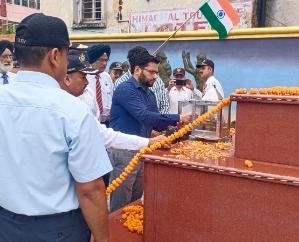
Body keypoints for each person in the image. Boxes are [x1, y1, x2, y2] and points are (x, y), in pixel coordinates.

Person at [0, 13, 111, 242]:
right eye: (67, 54)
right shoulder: (72, 112)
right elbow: (90, 190)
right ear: (55, 56)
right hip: (57, 230)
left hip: (6, 224)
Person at [109, 46, 192, 212]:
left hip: (143, 149)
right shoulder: (125, 90)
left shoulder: (149, 93)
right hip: (124, 150)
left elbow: (154, 121)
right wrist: (178, 118)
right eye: (152, 72)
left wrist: (165, 134)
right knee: (121, 202)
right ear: (137, 70)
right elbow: (144, 116)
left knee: (135, 199)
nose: (155, 76)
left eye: (157, 72)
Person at [85, 44, 114, 126]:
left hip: (107, 123)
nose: (104, 63)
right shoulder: (84, 77)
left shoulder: (106, 77)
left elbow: (111, 97)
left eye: (106, 60)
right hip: (90, 122)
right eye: (101, 60)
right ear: (92, 59)